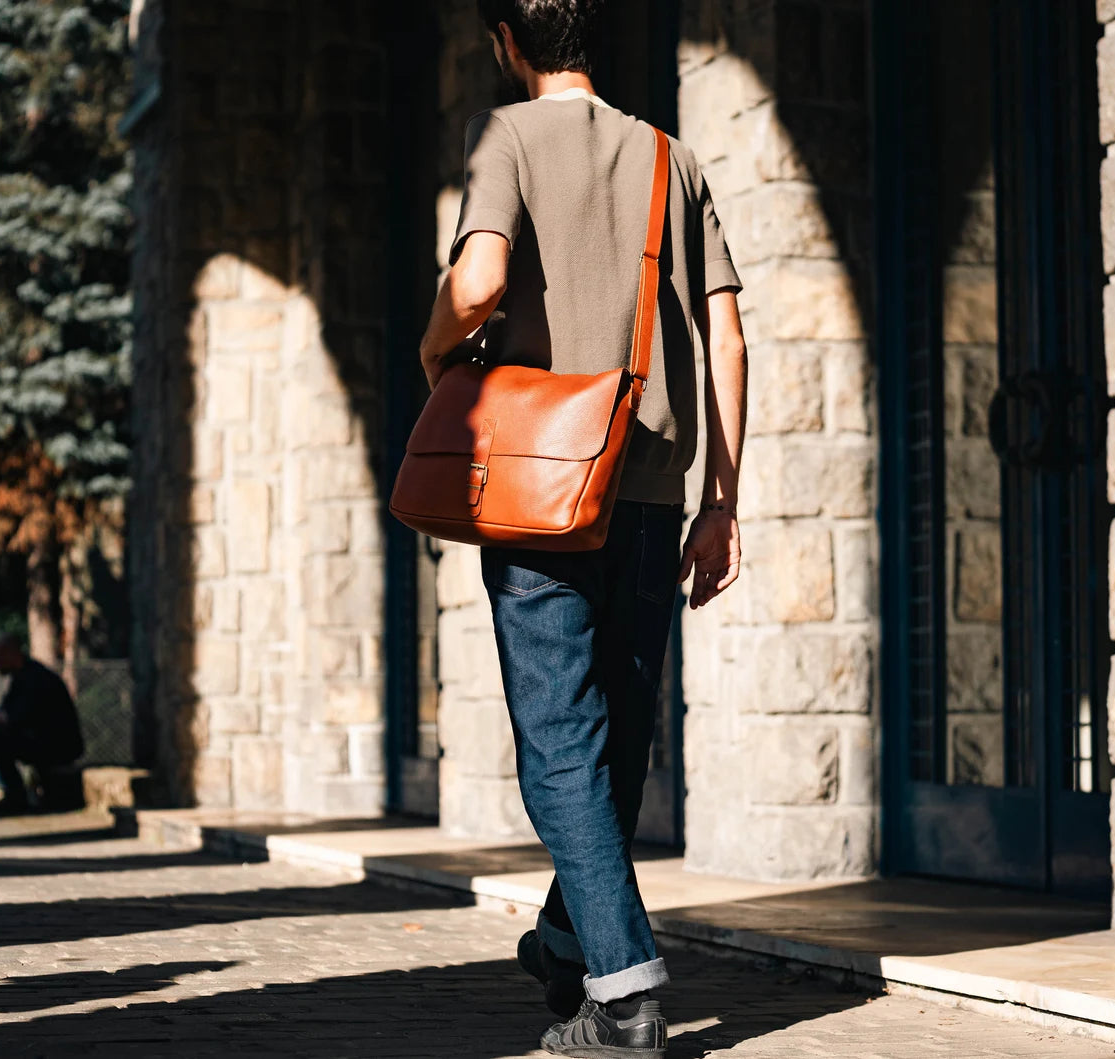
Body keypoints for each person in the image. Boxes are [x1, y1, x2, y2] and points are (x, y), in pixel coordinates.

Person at [417, 3, 747, 1054]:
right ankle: (569, 937)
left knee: (561, 739)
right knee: (618, 729)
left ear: (507, 41)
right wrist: (722, 500)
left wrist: (436, 349)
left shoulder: (506, 136)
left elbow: (478, 283)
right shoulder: (671, 157)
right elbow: (726, 333)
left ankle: (626, 996)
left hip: (537, 486)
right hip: (650, 488)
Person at [0, 633, 84, 816]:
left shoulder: (35, 678)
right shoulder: (21, 678)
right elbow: (4, 715)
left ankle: (15, 796)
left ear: (11, 653)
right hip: (40, 740)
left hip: (57, 746)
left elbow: (12, 719)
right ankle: (13, 793)